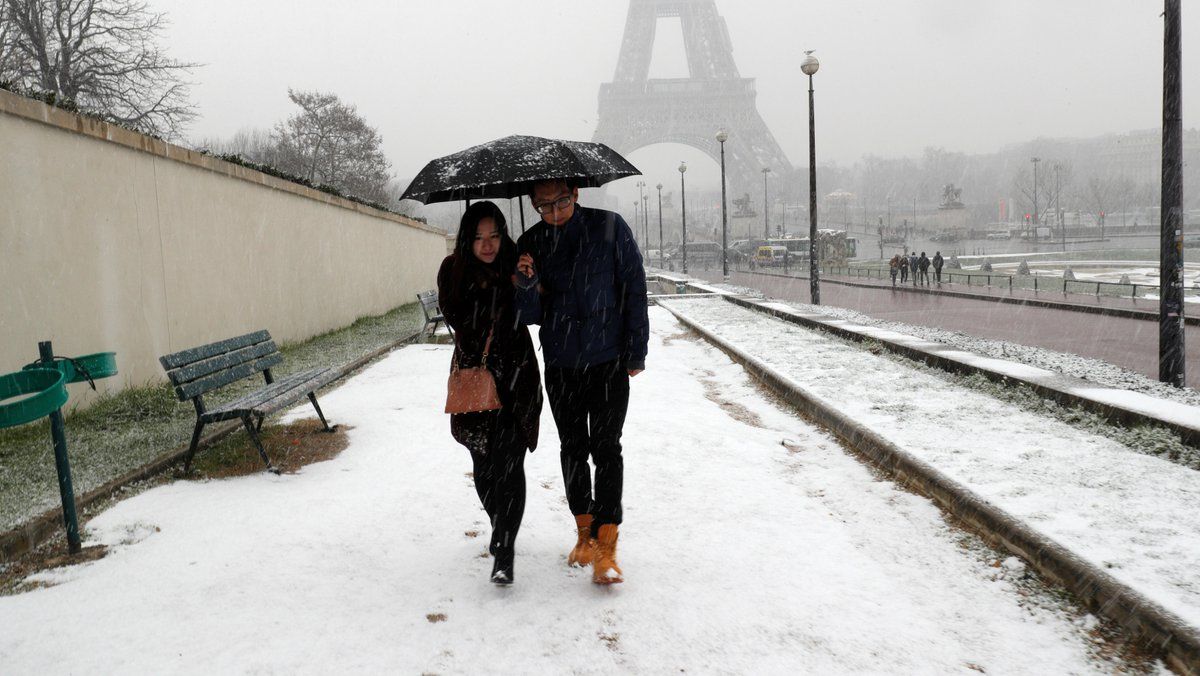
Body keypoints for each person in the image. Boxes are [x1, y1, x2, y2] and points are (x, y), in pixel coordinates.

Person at [515, 178, 649, 585]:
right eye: (544, 206)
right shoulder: (532, 241)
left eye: (560, 202)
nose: (554, 213)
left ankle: (607, 547)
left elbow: (634, 287)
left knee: (607, 448)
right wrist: (524, 286)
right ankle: (584, 536)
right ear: (534, 204)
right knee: (573, 448)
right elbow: (533, 315)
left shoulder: (610, 226)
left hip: (607, 359)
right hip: (561, 364)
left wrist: (636, 350)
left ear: (576, 194)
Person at [437, 201, 542, 586]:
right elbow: (458, 319)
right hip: (476, 376)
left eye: (494, 236)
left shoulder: (518, 264)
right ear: (468, 237)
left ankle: (506, 547)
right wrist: (493, 293)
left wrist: (524, 284)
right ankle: (499, 521)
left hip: (517, 377)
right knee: (484, 463)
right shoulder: (453, 270)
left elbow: (531, 315)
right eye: (479, 237)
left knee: (511, 463)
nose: (487, 245)